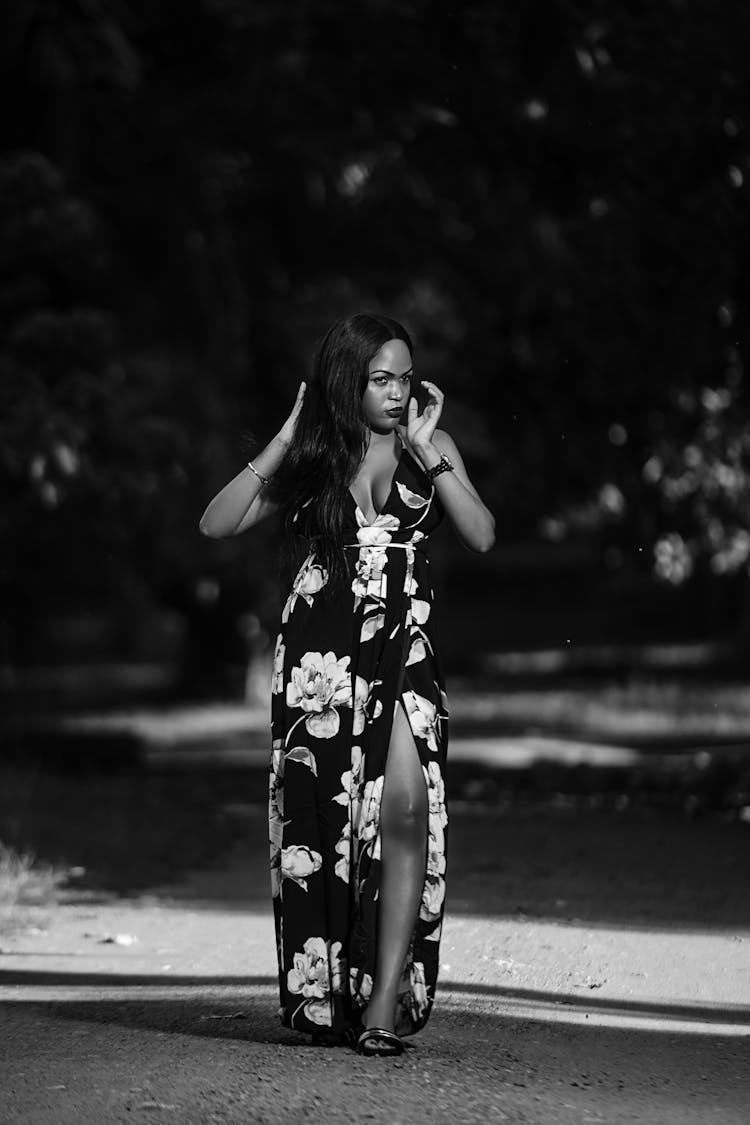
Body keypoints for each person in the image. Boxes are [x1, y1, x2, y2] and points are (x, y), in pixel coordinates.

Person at [199, 313, 494, 1055]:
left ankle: (383, 1009)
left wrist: (432, 451)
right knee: (325, 829)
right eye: (381, 379)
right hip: (320, 671)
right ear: (349, 380)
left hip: (405, 656)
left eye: (405, 377)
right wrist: (282, 441)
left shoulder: (434, 452)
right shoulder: (315, 457)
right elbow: (217, 522)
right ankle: (328, 994)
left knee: (405, 810)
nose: (397, 393)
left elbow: (483, 533)